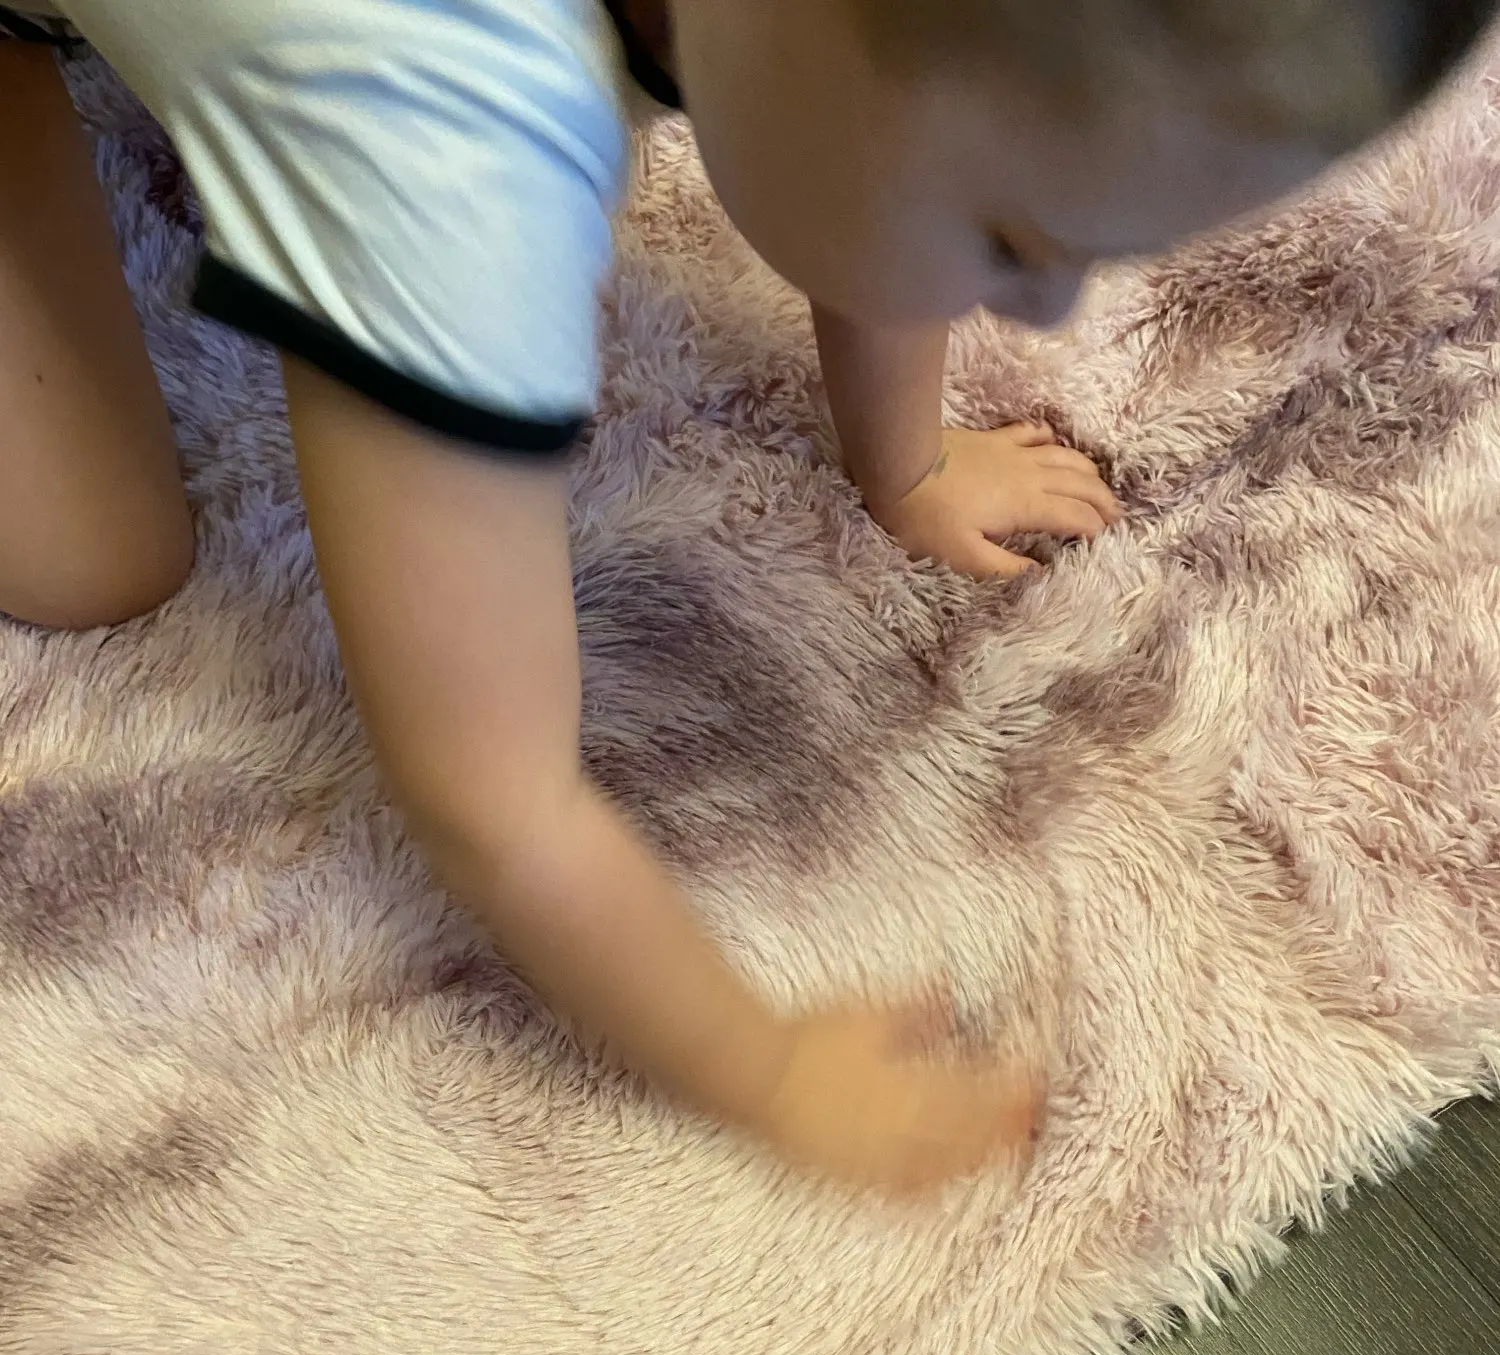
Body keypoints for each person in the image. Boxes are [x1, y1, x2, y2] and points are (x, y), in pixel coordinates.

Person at [0, 1, 1488, 1197]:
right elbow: (492, 802)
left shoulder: (806, 46)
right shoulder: (454, 162)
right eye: (1011, 238)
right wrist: (762, 1071)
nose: (1041, 312)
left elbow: (850, 143)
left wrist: (906, 463)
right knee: (95, 565)